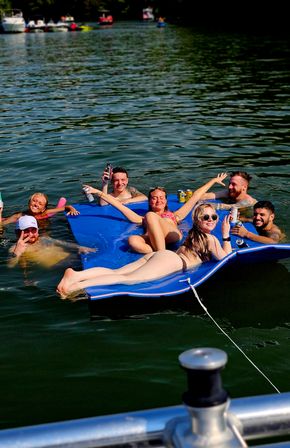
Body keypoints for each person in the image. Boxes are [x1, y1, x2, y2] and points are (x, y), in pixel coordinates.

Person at [56, 202, 232, 299]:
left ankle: (77, 275)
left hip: (162, 256)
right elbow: (226, 258)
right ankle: (76, 286)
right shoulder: (210, 239)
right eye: (206, 217)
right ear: (197, 219)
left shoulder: (195, 234)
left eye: (213, 217)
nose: (211, 220)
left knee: (118, 272)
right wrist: (226, 236)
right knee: (128, 279)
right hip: (172, 261)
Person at [84, 173, 228, 254]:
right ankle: (156, 251)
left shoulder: (175, 215)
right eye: (154, 198)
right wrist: (97, 192)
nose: (158, 200)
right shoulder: (140, 218)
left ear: (166, 201)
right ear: (150, 202)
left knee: (151, 216)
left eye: (161, 198)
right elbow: (118, 205)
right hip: (152, 240)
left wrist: (214, 180)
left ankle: (162, 255)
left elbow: (196, 196)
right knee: (132, 240)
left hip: (172, 234)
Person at [8, 215, 95, 269]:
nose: (30, 234)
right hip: (62, 265)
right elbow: (10, 266)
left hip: (72, 257)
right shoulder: (15, 248)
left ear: (37, 231)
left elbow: (63, 243)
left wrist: (79, 247)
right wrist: (17, 252)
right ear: (18, 232)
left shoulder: (43, 239)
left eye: (33, 230)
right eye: (26, 231)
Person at [0, 192, 79, 227]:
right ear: (29, 202)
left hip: (43, 221)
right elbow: (2, 224)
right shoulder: (20, 215)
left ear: (43, 209)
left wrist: (71, 209)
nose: (36, 204)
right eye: (34, 201)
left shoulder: (45, 212)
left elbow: (65, 207)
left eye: (40, 204)